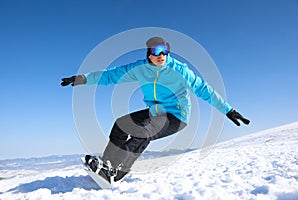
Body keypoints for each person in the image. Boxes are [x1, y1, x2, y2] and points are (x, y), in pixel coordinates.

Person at [61, 37, 250, 183]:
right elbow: (111, 75)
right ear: (148, 54)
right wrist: (82, 79)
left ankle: (117, 173)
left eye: (165, 51)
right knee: (121, 124)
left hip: (176, 116)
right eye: (157, 51)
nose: (162, 55)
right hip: (155, 112)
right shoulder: (140, 68)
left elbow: (203, 89)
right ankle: (106, 164)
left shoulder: (180, 70)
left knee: (144, 132)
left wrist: (228, 110)